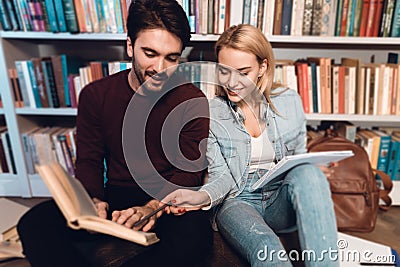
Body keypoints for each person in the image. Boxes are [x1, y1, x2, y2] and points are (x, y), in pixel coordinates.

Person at [17, 0, 212, 266]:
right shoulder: (96, 95)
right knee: (35, 223)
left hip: (165, 200)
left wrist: (152, 208)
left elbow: (189, 174)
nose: (159, 68)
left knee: (195, 238)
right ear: (130, 46)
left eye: (172, 58)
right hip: (115, 196)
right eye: (150, 53)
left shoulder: (193, 101)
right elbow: (89, 160)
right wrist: (94, 202)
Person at [162, 24, 339, 267]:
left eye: (243, 72)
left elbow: (299, 158)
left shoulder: (289, 102)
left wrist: (312, 172)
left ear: (262, 68)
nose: (232, 82)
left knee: (308, 173)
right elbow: (221, 177)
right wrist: (199, 197)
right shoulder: (213, 112)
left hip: (279, 198)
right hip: (238, 200)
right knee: (268, 249)